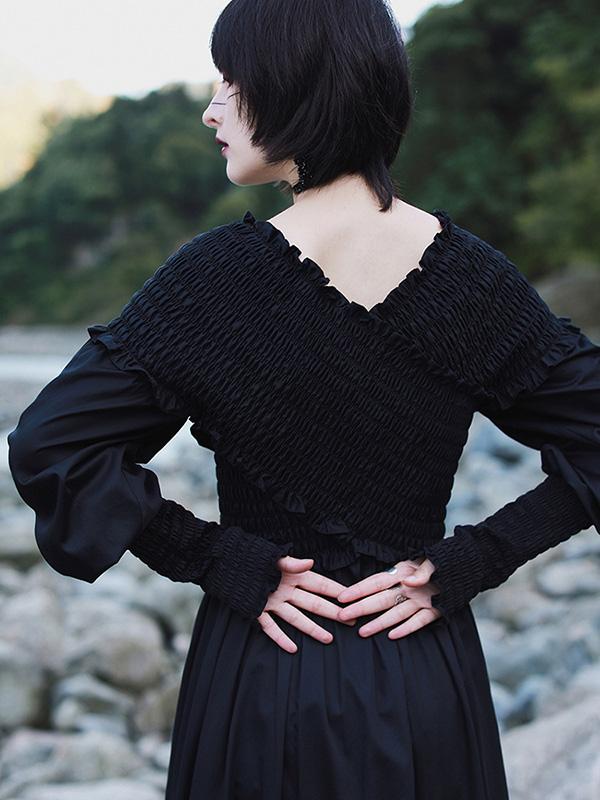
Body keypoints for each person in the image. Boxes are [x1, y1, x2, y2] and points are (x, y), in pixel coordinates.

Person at [7, 1, 600, 797]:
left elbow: (51, 443)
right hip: (422, 672)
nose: (212, 109)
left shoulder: (212, 282)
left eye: (232, 82)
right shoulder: (474, 281)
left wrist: (214, 557)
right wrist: (477, 559)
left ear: (297, 89)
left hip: (259, 674)